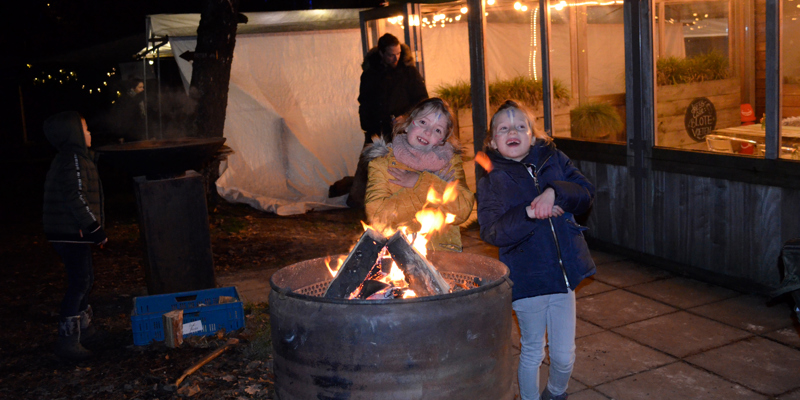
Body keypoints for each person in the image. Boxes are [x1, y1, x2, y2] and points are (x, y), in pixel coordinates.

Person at [476, 100, 596, 400]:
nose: (512, 131)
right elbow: (492, 231)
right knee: (533, 350)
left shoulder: (554, 158)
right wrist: (530, 212)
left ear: (533, 134)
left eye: (520, 126)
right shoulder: (492, 178)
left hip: (563, 272)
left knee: (565, 354)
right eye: (503, 128)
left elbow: (585, 193)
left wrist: (555, 191)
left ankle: (555, 394)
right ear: (493, 141)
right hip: (527, 277)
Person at [363, 98, 474, 252]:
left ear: (441, 141)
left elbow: (463, 210)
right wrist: (423, 189)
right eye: (423, 122)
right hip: (397, 256)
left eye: (437, 130)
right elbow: (378, 218)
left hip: (444, 257)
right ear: (407, 125)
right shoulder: (382, 163)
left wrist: (421, 183)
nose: (428, 132)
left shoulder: (449, 163)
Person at [43, 111, 108, 361]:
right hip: (70, 232)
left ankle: (85, 330)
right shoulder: (74, 160)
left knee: (85, 279)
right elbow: (76, 196)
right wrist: (94, 229)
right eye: (85, 129)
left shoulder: (76, 158)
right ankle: (67, 341)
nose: (90, 133)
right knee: (79, 282)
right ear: (73, 135)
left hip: (71, 232)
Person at [358, 33, 428, 145]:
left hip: (405, 131)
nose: (396, 58)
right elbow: (365, 102)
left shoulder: (409, 72)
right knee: (376, 162)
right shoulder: (370, 75)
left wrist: (407, 117)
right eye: (391, 55)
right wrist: (369, 126)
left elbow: (422, 99)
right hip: (378, 133)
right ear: (381, 53)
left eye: (398, 53)